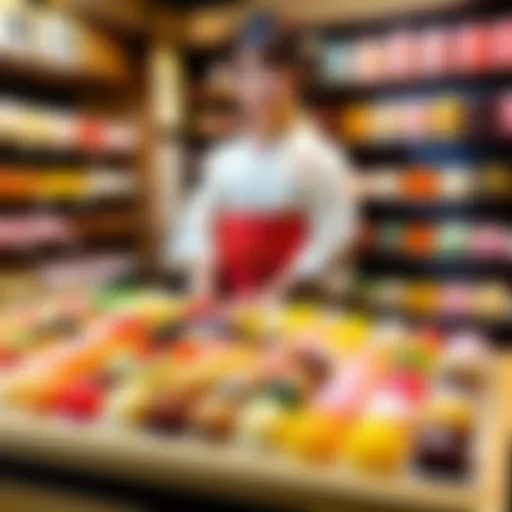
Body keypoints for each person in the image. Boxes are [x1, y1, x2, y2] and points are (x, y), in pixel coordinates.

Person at [172, 12, 357, 304]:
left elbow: (335, 234)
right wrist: (203, 277)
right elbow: (199, 220)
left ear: (295, 78)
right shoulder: (224, 160)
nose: (258, 87)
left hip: (294, 304)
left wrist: (279, 290)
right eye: (246, 73)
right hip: (231, 304)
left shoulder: (321, 159)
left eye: (272, 71)